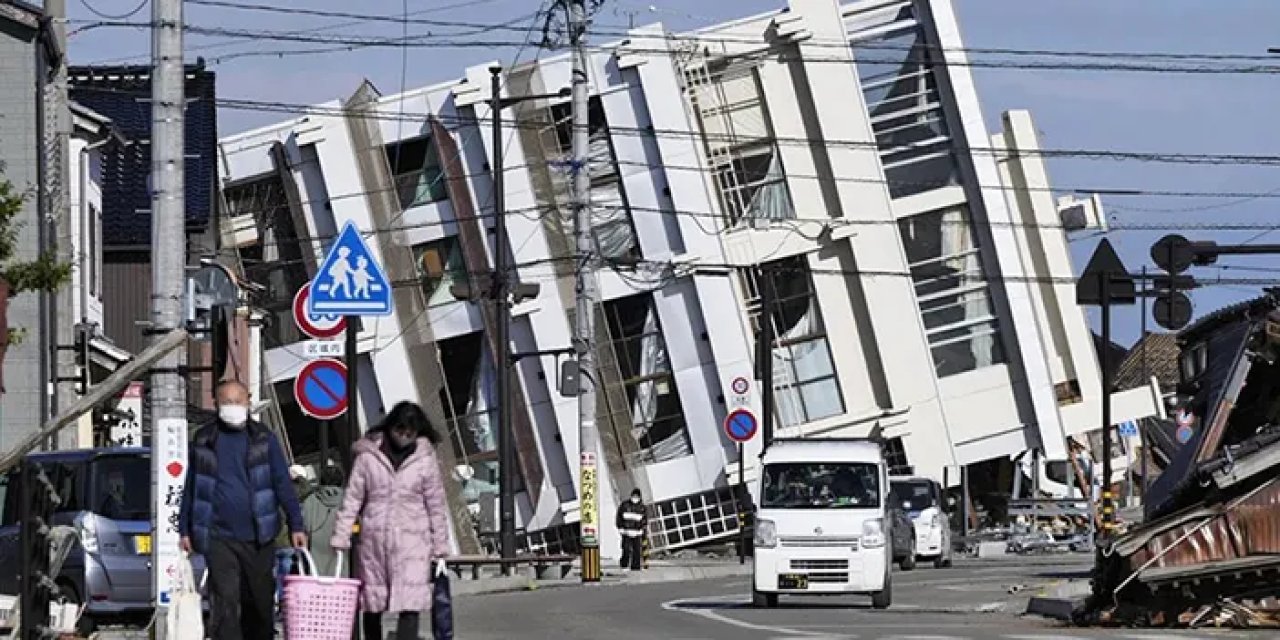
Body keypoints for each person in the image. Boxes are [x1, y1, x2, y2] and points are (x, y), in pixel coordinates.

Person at [178, 379, 307, 640]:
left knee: (258, 602)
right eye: (226, 402)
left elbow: (282, 482)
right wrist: (184, 529)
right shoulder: (204, 439)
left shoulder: (263, 439)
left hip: (260, 535)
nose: (232, 407)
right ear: (215, 404)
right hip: (218, 536)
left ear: (248, 402)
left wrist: (296, 523)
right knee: (225, 601)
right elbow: (192, 486)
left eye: (237, 401)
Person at [331, 402, 450, 640]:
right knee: (372, 601)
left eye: (410, 433)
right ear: (390, 427)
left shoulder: (424, 460)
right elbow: (353, 498)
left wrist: (440, 544)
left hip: (413, 539)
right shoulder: (367, 458)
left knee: (410, 603)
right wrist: (342, 534)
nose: (404, 437)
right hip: (375, 539)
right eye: (400, 430)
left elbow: (436, 504)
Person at [302, 464, 347, 579]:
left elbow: (304, 526)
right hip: (342, 551)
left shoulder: (310, 500)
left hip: (315, 555)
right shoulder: (348, 501)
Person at [615, 488, 647, 571]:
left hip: (637, 532)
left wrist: (642, 529)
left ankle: (635, 567)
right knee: (626, 549)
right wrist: (620, 528)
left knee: (637, 550)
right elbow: (619, 517)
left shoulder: (642, 507)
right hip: (626, 531)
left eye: (637, 496)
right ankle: (624, 565)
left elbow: (644, 519)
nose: (635, 498)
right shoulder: (624, 505)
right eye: (634, 496)